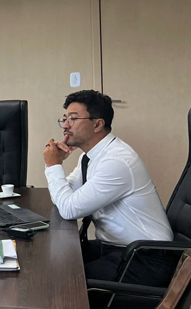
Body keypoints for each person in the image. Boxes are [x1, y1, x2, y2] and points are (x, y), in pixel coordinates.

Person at [44, 89, 174, 286]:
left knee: (65, 282)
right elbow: (63, 196)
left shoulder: (116, 161)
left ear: (97, 124)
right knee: (51, 262)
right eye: (64, 118)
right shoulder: (89, 156)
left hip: (146, 258)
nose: (65, 125)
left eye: (73, 118)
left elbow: (69, 209)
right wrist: (55, 166)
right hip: (117, 248)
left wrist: (53, 165)